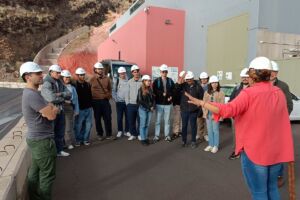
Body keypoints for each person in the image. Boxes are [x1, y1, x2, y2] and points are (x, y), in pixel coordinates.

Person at [185, 57, 294, 199]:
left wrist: (201, 102)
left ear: (252, 74)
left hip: (255, 152)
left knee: (259, 192)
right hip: (275, 152)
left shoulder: (249, 93)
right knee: (272, 188)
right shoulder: (278, 92)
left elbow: (227, 109)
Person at [20, 62, 58, 200]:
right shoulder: (32, 95)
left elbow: (49, 110)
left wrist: (50, 109)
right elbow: (52, 114)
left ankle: (35, 197)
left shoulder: (32, 93)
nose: (41, 75)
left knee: (34, 173)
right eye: (37, 73)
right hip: (42, 141)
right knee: (47, 175)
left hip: (35, 139)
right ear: (27, 76)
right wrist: (53, 109)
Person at [270, 60, 294, 187]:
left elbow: (289, 104)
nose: (272, 74)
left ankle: (279, 175)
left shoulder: (283, 86)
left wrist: (281, 120)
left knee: (278, 151)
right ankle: (268, 173)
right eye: (270, 71)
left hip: (278, 125)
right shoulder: (263, 85)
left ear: (277, 73)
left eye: (274, 72)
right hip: (266, 126)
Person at [41, 64, 71, 157]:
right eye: (57, 72)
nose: (59, 74)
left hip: (60, 110)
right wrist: (63, 99)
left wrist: (60, 94)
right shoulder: (47, 83)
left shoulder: (60, 82)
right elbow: (51, 98)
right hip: (52, 110)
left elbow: (69, 93)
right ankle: (53, 152)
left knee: (60, 131)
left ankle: (59, 150)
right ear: (51, 72)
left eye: (59, 72)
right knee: (52, 132)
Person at [175, 71, 204, 148]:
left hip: (194, 111)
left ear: (193, 78)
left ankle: (193, 141)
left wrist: (199, 109)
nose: (188, 81)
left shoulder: (198, 87)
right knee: (184, 126)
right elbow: (176, 89)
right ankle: (183, 141)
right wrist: (181, 78)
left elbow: (201, 99)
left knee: (193, 126)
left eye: (189, 79)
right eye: (187, 79)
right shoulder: (183, 85)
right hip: (184, 110)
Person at [228, 68, 249, 160]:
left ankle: (248, 152)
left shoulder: (253, 88)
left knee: (248, 135)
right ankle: (236, 151)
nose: (244, 79)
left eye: (246, 77)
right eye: (243, 77)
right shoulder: (237, 88)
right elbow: (231, 100)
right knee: (236, 134)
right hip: (236, 116)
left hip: (248, 117)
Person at [90, 62, 114, 140]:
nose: (100, 70)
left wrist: (109, 95)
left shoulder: (107, 78)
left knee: (108, 118)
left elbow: (110, 88)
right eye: (98, 69)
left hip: (105, 101)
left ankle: (109, 134)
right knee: (97, 119)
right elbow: (88, 90)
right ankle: (100, 134)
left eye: (101, 69)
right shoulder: (92, 79)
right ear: (95, 70)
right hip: (96, 101)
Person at [152, 64, 174, 143]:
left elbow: (173, 90)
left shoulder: (170, 81)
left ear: (167, 72)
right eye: (163, 72)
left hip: (168, 104)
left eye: (165, 72)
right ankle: (157, 135)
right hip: (159, 104)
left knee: (167, 121)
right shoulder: (156, 81)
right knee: (158, 120)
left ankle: (167, 135)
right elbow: (154, 91)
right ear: (160, 72)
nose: (164, 73)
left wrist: (171, 96)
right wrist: (162, 93)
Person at [202, 75, 225, 153]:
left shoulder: (221, 93)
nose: (214, 84)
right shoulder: (206, 92)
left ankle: (216, 146)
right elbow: (203, 103)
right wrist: (205, 113)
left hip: (216, 113)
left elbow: (222, 105)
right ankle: (210, 145)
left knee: (215, 130)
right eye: (213, 83)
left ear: (218, 83)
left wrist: (215, 114)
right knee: (209, 130)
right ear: (210, 84)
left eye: (216, 83)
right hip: (208, 113)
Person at [73, 67, 93, 146]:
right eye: (80, 75)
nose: (82, 76)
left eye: (83, 75)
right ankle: (78, 140)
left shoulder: (87, 84)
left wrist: (91, 105)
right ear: (77, 76)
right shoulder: (75, 85)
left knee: (88, 125)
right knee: (78, 125)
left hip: (88, 108)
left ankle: (85, 139)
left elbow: (90, 95)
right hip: (80, 109)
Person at [61, 70, 79, 149]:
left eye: (68, 77)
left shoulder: (72, 88)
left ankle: (68, 143)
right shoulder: (59, 86)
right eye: (65, 77)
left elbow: (76, 99)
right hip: (59, 108)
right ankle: (61, 144)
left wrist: (76, 110)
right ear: (62, 78)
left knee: (68, 127)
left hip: (69, 108)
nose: (67, 78)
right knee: (60, 127)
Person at [125, 65, 142, 141]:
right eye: (134, 72)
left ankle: (139, 134)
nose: (136, 73)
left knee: (140, 121)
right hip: (131, 105)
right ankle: (133, 134)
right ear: (132, 73)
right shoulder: (129, 82)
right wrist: (127, 103)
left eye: (137, 71)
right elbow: (126, 94)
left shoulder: (142, 81)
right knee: (131, 120)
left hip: (140, 105)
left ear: (139, 72)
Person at [137, 75, 155, 146]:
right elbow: (140, 100)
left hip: (150, 109)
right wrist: (149, 107)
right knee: (143, 125)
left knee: (147, 124)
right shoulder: (140, 89)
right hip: (143, 109)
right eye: (147, 80)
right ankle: (143, 139)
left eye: (149, 81)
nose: (149, 82)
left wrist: (153, 106)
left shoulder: (150, 89)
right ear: (144, 81)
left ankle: (146, 138)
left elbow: (153, 99)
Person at [112, 67, 130, 138]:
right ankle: (120, 131)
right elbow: (113, 90)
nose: (122, 74)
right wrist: (116, 99)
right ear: (119, 74)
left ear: (125, 73)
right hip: (119, 102)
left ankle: (127, 131)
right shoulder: (116, 81)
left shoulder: (128, 80)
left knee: (128, 117)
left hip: (127, 102)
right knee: (119, 117)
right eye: (121, 73)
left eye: (123, 73)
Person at [171, 71, 185, 139]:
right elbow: (173, 94)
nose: (183, 79)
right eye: (182, 78)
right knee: (177, 119)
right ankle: (175, 132)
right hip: (177, 104)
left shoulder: (185, 85)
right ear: (179, 78)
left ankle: (181, 131)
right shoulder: (176, 85)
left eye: (184, 78)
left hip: (184, 105)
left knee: (182, 119)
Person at [197, 72, 209, 142]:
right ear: (200, 79)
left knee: (207, 121)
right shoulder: (198, 86)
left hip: (207, 106)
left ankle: (206, 134)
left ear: (207, 79)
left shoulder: (209, 87)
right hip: (199, 106)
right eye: (202, 79)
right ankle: (199, 134)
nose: (203, 80)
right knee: (199, 121)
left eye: (205, 79)